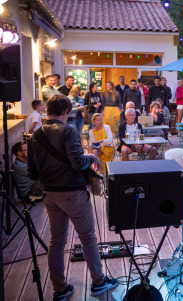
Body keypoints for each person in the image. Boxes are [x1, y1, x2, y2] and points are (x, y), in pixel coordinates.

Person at [27, 94, 118, 299]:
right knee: (87, 238)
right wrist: (92, 156)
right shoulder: (67, 131)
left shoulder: (36, 135)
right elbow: (78, 163)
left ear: (47, 110)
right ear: (66, 112)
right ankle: (98, 282)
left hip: (50, 195)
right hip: (73, 193)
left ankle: (60, 288)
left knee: (56, 241)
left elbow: (32, 172)